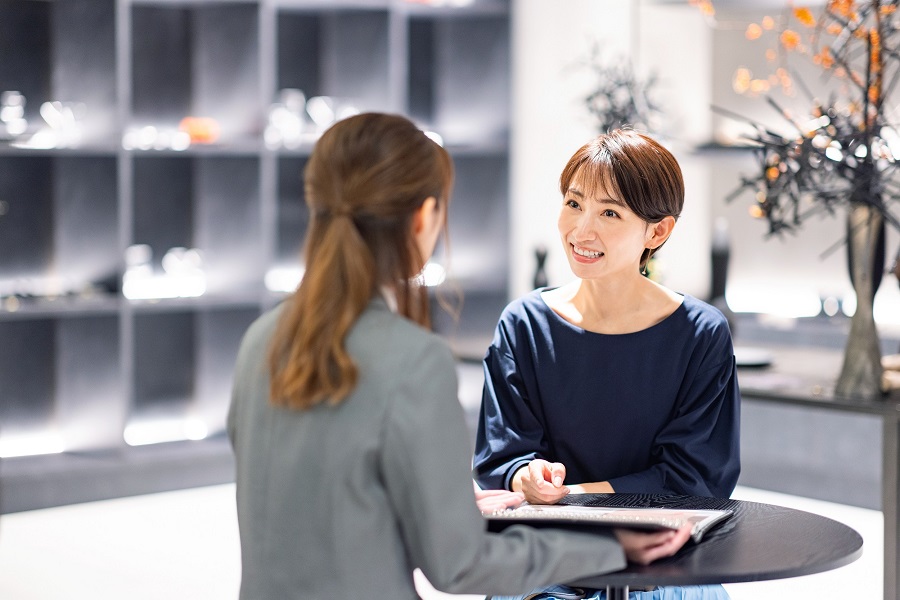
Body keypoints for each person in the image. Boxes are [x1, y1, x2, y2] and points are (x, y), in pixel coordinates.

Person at [227, 113, 693, 600]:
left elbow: (312, 490)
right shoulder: (415, 360)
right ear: (423, 217)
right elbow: (460, 566)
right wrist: (611, 549)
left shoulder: (260, 340)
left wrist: (441, 495)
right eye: (574, 203)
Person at [474, 129, 741, 600]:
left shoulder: (701, 334)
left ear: (657, 231)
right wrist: (527, 476)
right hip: (550, 559)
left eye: (610, 213)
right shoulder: (523, 324)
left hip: (663, 561)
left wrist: (573, 494)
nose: (581, 231)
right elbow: (500, 455)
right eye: (574, 204)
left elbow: (694, 480)